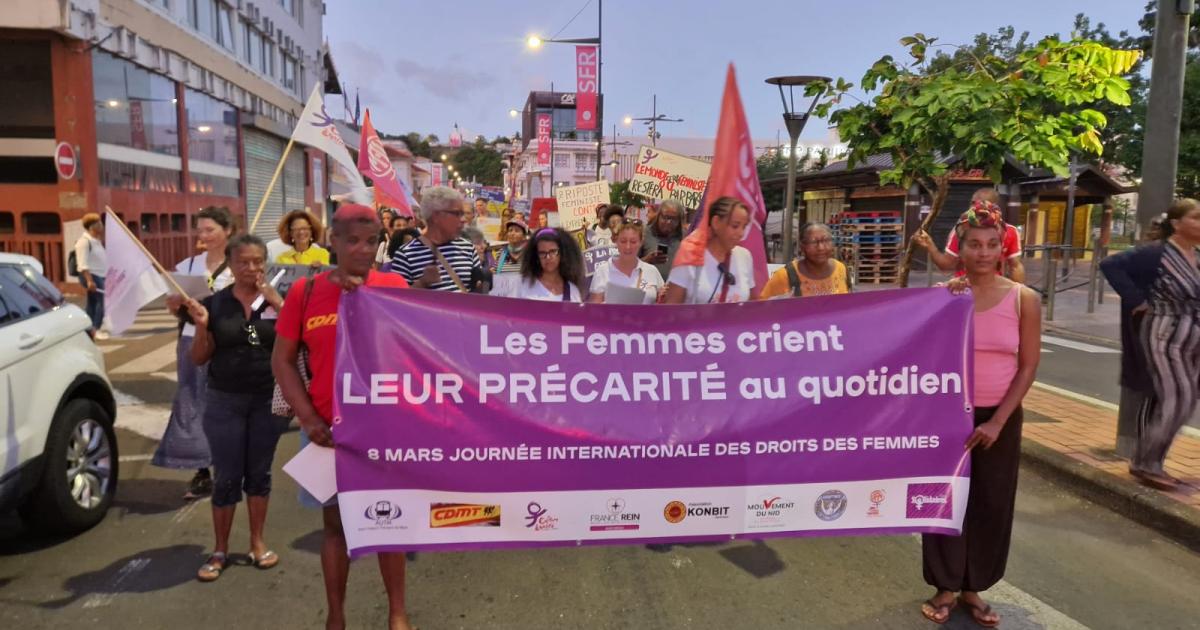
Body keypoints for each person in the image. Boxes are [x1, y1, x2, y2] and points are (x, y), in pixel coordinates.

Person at [271, 204, 412, 630]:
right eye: (352, 241)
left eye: (371, 241)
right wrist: (309, 419)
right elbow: (282, 360)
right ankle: (336, 615)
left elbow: (416, 351)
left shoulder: (394, 286)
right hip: (326, 432)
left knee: (390, 523)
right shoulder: (305, 292)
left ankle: (397, 613)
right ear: (332, 241)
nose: (363, 250)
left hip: (385, 431)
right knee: (334, 526)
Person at [920, 201, 1041, 628]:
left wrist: (997, 421)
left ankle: (974, 587)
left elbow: (1028, 365)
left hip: (998, 417)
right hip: (947, 415)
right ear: (962, 248)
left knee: (991, 502)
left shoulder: (1024, 299)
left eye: (992, 244)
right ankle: (945, 585)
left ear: (1003, 248)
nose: (983, 252)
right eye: (974, 244)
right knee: (942, 499)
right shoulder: (945, 297)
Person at [184, 234, 287, 582]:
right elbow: (199, 358)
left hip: (266, 399)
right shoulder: (214, 304)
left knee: (259, 473)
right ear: (230, 264)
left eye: (258, 261)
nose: (251, 268)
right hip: (224, 400)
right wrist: (202, 327)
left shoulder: (275, 301)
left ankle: (257, 543)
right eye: (243, 261)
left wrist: (278, 303)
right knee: (227, 475)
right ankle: (220, 550)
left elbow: (298, 339)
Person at [1100, 198, 1200, 491]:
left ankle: (1151, 461)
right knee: (1178, 398)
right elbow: (1110, 264)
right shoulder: (1157, 253)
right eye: (1196, 217)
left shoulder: (1196, 256)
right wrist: (1137, 300)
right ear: (1177, 223)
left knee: (1186, 399)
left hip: (1191, 337)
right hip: (1164, 335)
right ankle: (1145, 463)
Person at [155, 206, 236, 499]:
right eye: (200, 230)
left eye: (210, 230)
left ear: (228, 230)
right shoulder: (188, 265)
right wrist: (174, 303)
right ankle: (202, 471)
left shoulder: (240, 263)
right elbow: (172, 305)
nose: (204, 236)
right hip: (191, 340)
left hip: (229, 342)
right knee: (192, 401)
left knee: (227, 404)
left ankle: (229, 467)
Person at [912, 188, 1026, 283]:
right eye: (972, 203)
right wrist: (930, 246)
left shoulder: (1010, 231)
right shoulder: (961, 229)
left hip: (993, 290)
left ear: (993, 206)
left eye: (980, 203)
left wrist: (1018, 295)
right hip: (963, 290)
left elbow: (1015, 266)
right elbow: (946, 265)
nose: (974, 207)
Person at [664, 197, 756, 304]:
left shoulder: (745, 256)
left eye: (744, 227)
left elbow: (751, 305)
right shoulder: (689, 257)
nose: (741, 233)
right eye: (735, 226)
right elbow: (671, 307)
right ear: (716, 222)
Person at [392, 187, 483, 292]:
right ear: (436, 216)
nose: (463, 219)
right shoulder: (405, 255)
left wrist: (483, 283)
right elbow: (396, 300)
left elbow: (478, 293)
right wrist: (422, 283)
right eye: (456, 214)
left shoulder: (468, 248)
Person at [759, 222, 852, 298]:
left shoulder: (841, 269)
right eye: (813, 242)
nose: (821, 247)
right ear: (802, 247)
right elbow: (763, 308)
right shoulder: (784, 276)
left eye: (826, 240)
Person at [589, 219, 665, 304]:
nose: (628, 247)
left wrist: (662, 297)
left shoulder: (652, 271)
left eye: (633, 242)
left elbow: (663, 304)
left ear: (641, 242)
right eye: (623, 241)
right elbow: (594, 309)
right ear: (616, 241)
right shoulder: (602, 271)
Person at [515, 227, 584, 302]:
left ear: (563, 253)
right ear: (536, 257)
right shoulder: (522, 284)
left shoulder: (572, 291)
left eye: (553, 251)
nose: (548, 257)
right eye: (542, 253)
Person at [74, 213, 109, 339]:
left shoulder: (96, 241)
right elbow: (82, 264)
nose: (101, 225)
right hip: (92, 276)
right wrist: (89, 281)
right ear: (91, 227)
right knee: (102, 302)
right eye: (98, 223)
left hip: (99, 275)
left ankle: (88, 329)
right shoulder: (84, 242)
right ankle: (96, 329)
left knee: (92, 303)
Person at [642, 199, 685, 280]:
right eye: (665, 217)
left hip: (673, 286)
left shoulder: (685, 238)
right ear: (659, 216)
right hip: (647, 285)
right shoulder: (644, 233)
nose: (668, 222)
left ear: (679, 220)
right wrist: (647, 260)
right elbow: (629, 265)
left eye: (673, 219)